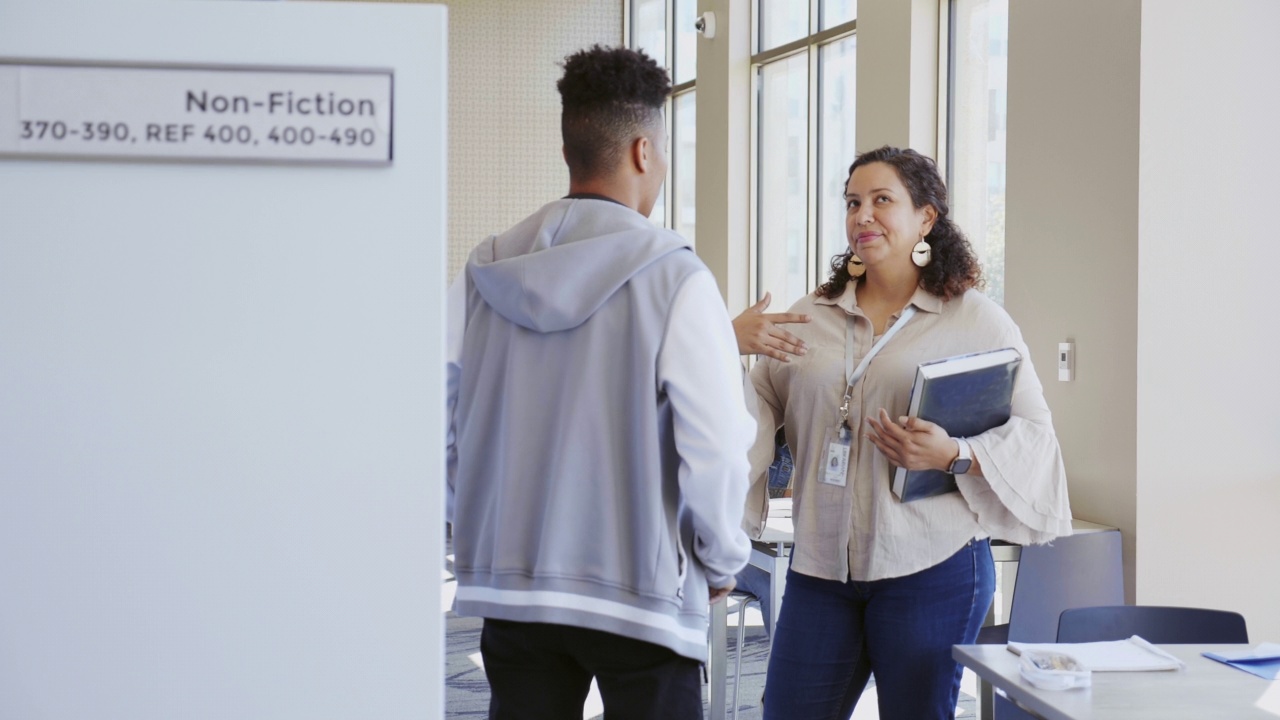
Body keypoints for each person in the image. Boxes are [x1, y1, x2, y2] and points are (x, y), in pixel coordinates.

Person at [445, 45, 755, 720]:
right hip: (638, 596)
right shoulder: (677, 278)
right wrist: (721, 557)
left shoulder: (485, 270)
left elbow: (441, 414)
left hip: (509, 581)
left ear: (569, 150)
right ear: (645, 151)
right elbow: (718, 447)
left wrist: (467, 528)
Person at [742, 146, 1072, 720]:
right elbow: (748, 417)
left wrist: (955, 454)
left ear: (926, 218)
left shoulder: (975, 320)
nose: (862, 215)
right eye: (852, 203)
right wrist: (726, 344)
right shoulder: (810, 314)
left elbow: (1037, 437)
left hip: (932, 568)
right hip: (820, 567)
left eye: (881, 200)